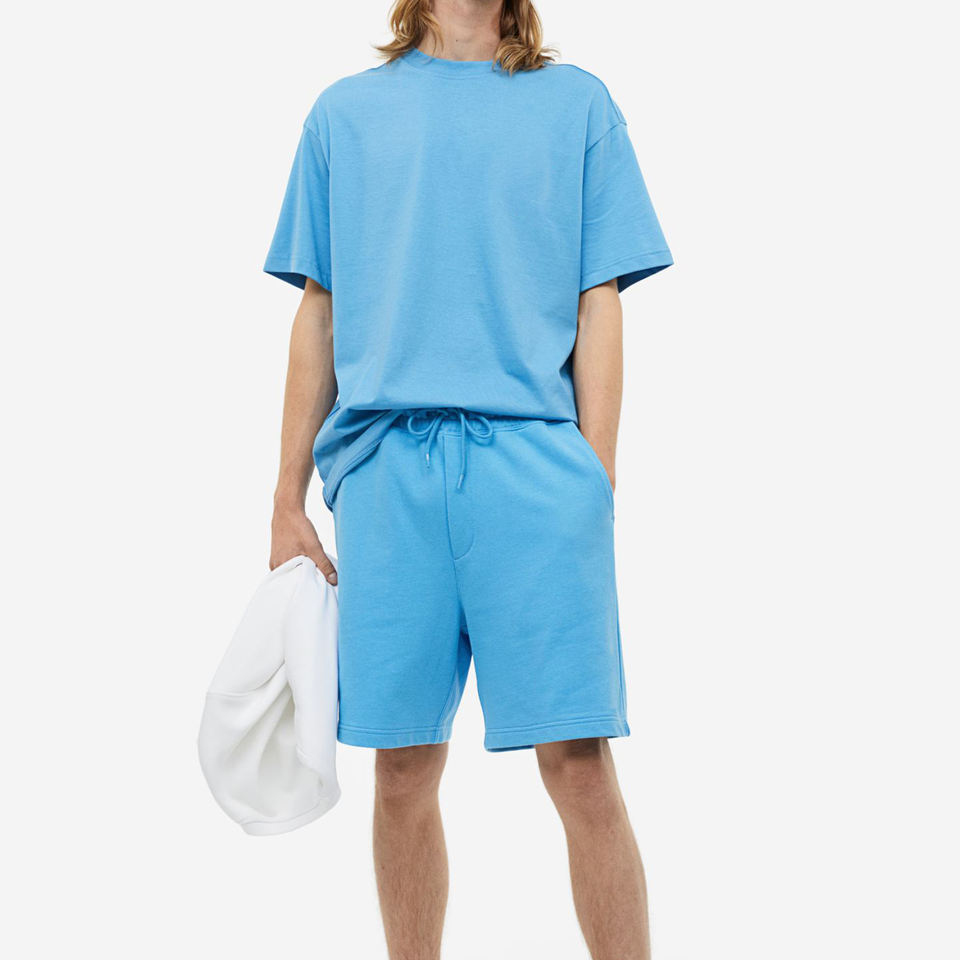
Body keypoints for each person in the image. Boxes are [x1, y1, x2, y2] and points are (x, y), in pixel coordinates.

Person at [265, 1, 672, 956]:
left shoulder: (577, 106)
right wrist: (285, 494)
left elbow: (600, 299)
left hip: (536, 471)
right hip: (388, 474)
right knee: (402, 770)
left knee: (578, 763)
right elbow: (319, 308)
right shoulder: (344, 115)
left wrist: (594, 474)